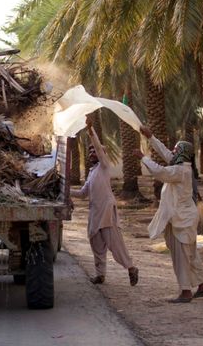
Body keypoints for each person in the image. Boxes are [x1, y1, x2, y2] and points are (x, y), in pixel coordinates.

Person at [134, 126, 203, 303]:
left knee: (180, 255)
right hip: (185, 217)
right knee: (191, 253)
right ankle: (201, 285)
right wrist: (150, 137)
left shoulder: (179, 171)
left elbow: (160, 172)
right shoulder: (181, 166)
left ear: (182, 153)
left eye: (176, 150)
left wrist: (143, 157)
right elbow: (166, 153)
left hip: (181, 219)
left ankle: (185, 291)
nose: (173, 152)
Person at [71, 116, 139, 286]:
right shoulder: (92, 172)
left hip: (107, 213)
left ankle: (131, 268)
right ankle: (100, 275)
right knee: (96, 245)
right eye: (90, 151)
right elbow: (82, 193)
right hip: (95, 213)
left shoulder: (104, 166)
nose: (93, 153)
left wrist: (90, 131)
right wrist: (64, 190)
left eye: (95, 150)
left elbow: (100, 152)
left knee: (115, 245)